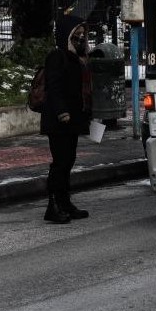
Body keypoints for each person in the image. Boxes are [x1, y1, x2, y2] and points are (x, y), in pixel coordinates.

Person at [41, 22, 92, 223]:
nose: (80, 38)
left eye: (83, 35)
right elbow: (53, 87)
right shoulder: (57, 56)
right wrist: (62, 112)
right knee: (60, 162)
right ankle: (53, 205)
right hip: (59, 120)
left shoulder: (80, 58)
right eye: (76, 35)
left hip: (73, 119)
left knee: (68, 160)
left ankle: (64, 202)